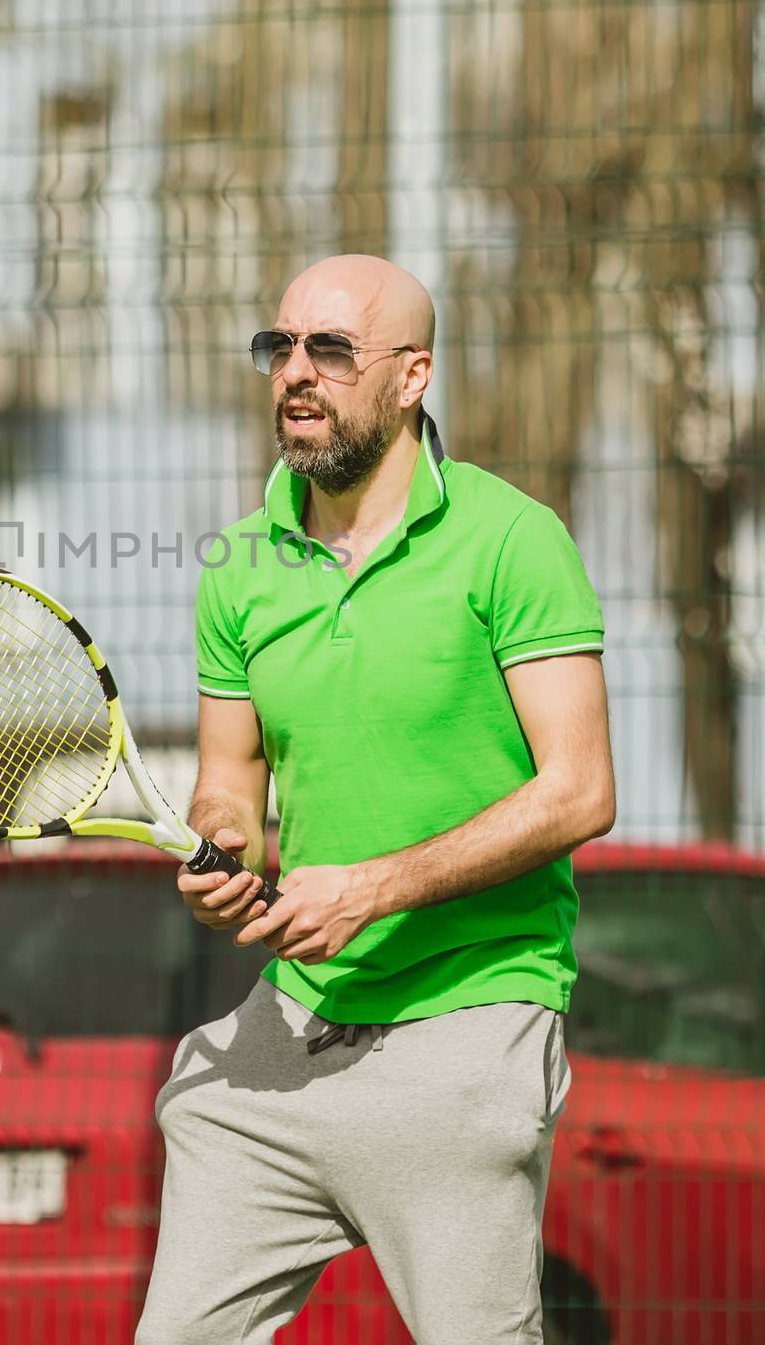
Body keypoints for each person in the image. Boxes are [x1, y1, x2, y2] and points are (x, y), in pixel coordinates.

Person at [136, 254, 615, 1345]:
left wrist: (374, 887)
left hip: (468, 1015)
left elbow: (581, 789)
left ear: (411, 377)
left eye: (331, 350)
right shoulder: (240, 563)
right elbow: (229, 779)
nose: (295, 373)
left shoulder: (510, 540)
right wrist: (221, 846)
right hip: (290, 1022)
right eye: (280, 348)